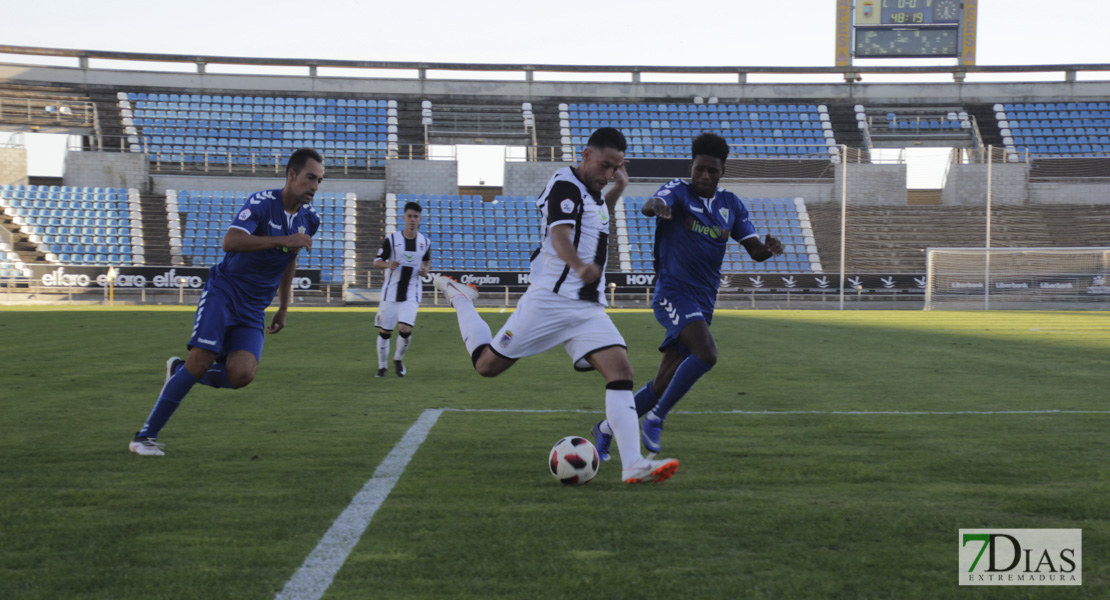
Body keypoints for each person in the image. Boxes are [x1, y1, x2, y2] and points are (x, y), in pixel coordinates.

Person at [433, 127, 679, 484]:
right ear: (585, 156)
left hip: (586, 308)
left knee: (621, 372)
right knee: (487, 366)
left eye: (616, 167)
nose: (608, 173)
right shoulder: (564, 186)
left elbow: (597, 217)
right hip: (548, 301)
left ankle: (633, 463)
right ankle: (460, 298)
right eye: (604, 165)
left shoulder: (595, 192)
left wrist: (619, 189)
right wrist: (580, 266)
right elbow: (560, 234)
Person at [592, 132, 783, 459]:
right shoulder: (677, 191)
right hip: (673, 293)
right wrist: (660, 207)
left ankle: (605, 429)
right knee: (707, 353)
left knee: (661, 384)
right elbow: (651, 205)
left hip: (703, 302)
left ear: (723, 171)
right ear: (691, 167)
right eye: (699, 169)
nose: (704, 176)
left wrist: (769, 249)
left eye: (712, 171)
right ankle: (655, 419)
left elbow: (754, 251)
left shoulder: (731, 205)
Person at [128, 148, 323, 456]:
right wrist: (282, 240)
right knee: (201, 361)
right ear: (292, 175)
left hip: (253, 307)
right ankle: (144, 437)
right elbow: (230, 241)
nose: (314, 186)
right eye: (310, 177)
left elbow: (290, 262)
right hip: (225, 292)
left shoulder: (310, 220)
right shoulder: (262, 203)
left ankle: (179, 369)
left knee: (242, 374)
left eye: (319, 181)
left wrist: (284, 306)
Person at [373, 201, 431, 378]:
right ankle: (382, 366)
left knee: (405, 329)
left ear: (420, 219)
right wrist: (388, 264)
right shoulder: (392, 239)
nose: (412, 220)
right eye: (409, 216)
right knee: (385, 332)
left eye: (415, 217)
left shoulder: (425, 242)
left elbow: (427, 261)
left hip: (411, 292)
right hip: (390, 292)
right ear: (403, 218)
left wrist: (425, 270)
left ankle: (398, 358)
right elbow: (376, 262)